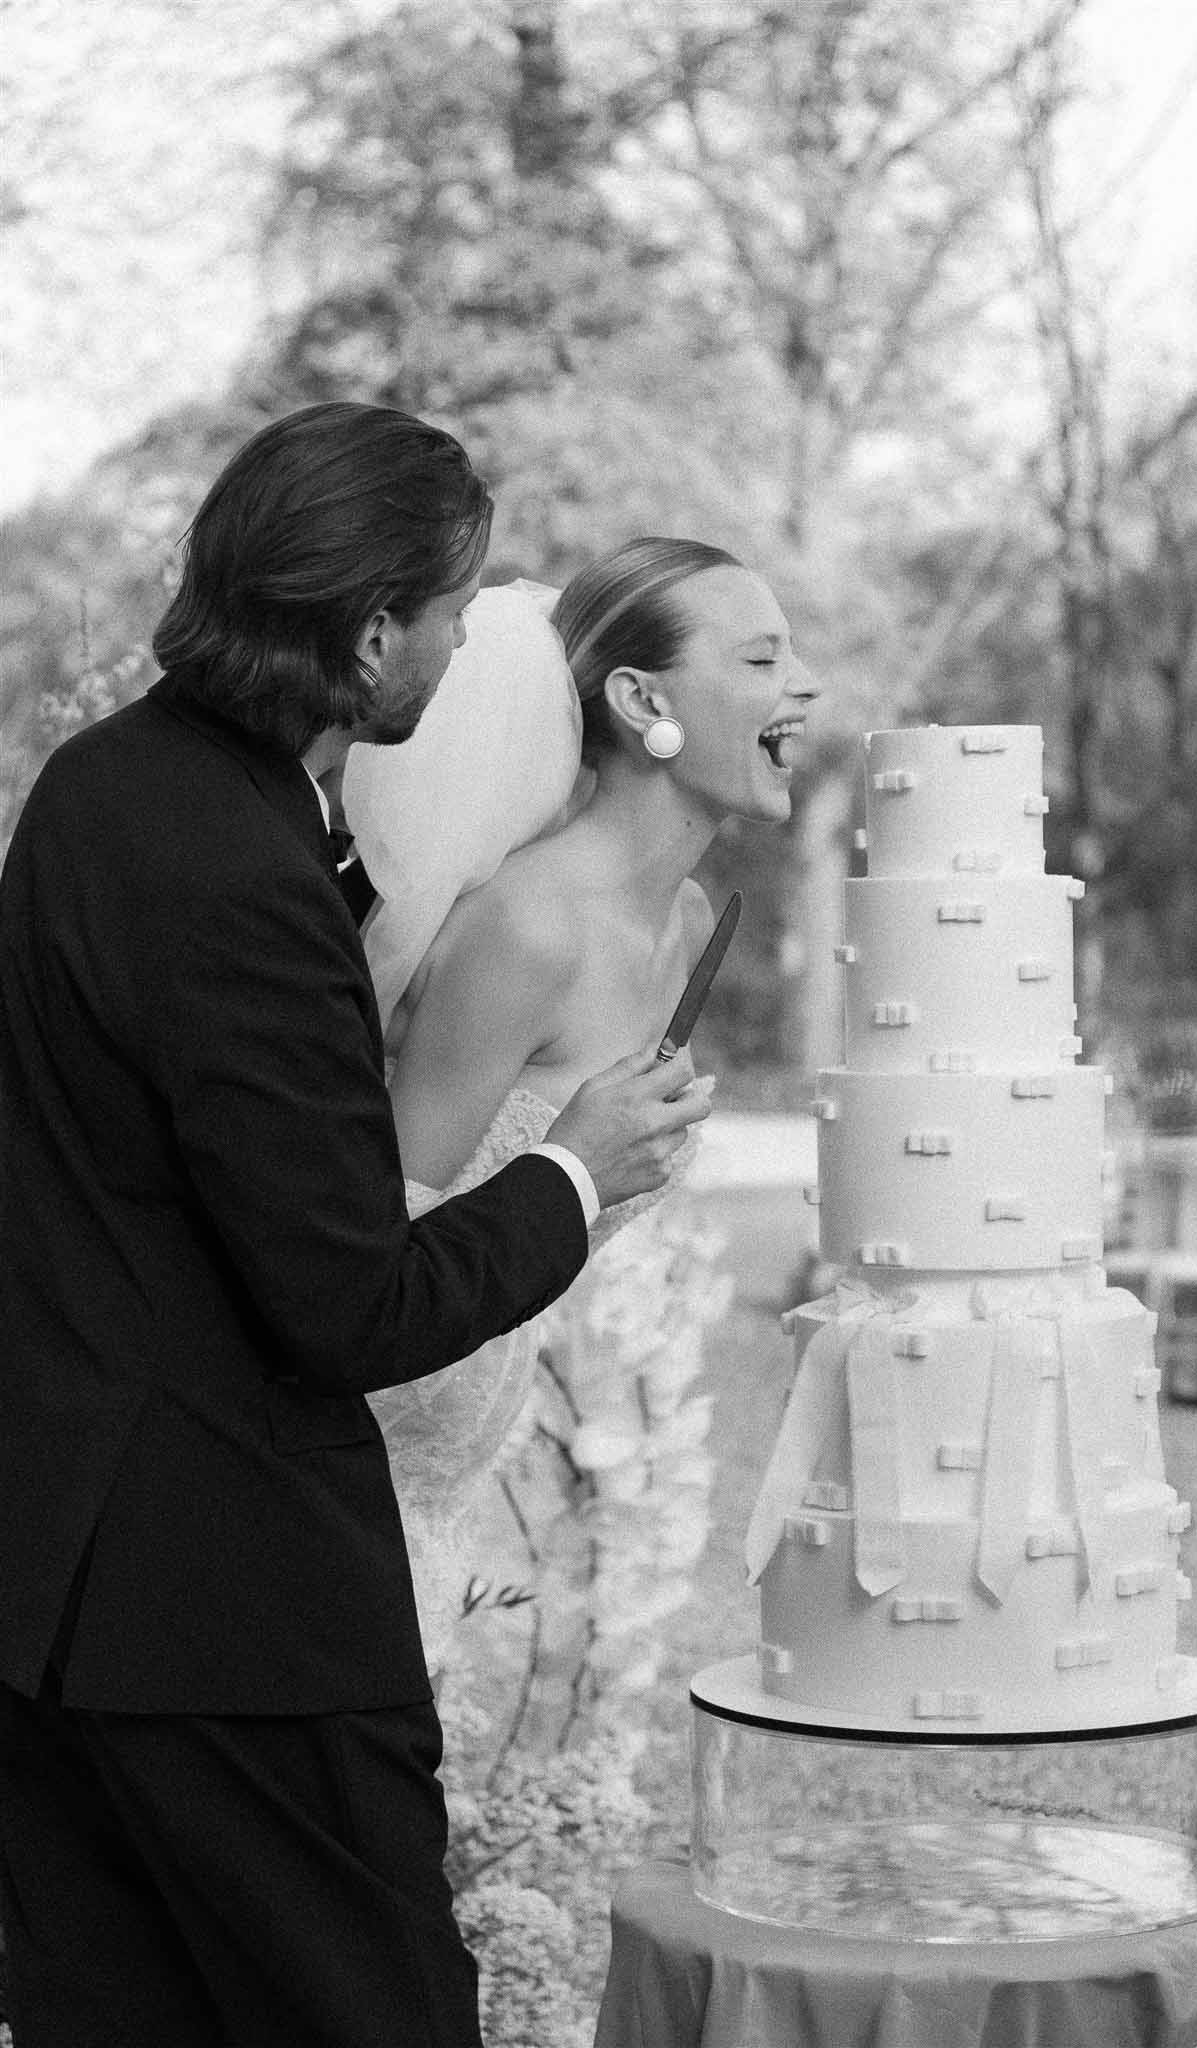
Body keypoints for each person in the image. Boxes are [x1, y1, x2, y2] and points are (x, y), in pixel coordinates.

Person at [0, 403, 710, 2048]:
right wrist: (579, 1171)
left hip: (62, 1601)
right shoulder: (238, 871)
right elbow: (346, 1301)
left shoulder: (101, 789)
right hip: (224, 1621)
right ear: (371, 629)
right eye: (455, 609)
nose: (472, 645)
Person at [341, 541, 820, 1714]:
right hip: (362, 1487)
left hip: (451, 1493)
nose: (803, 685)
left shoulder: (691, 918)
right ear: (642, 700)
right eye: (761, 657)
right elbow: (365, 1260)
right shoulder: (528, 929)